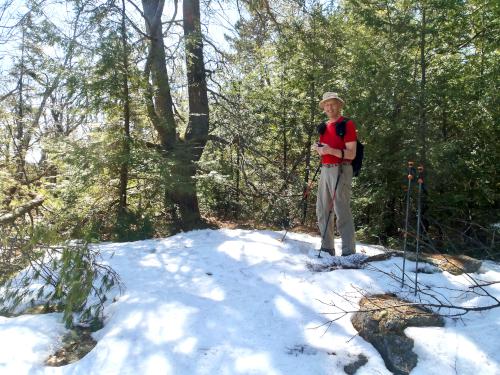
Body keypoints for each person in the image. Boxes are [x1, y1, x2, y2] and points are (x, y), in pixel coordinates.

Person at [312, 92, 357, 256]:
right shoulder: (324, 126)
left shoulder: (347, 124)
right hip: (325, 169)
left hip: (342, 169)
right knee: (322, 209)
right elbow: (324, 151)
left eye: (332, 104)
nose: (329, 107)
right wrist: (319, 149)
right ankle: (327, 248)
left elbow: (351, 154)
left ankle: (349, 252)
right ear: (323, 108)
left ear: (339, 105)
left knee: (341, 209)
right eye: (326, 105)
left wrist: (329, 150)